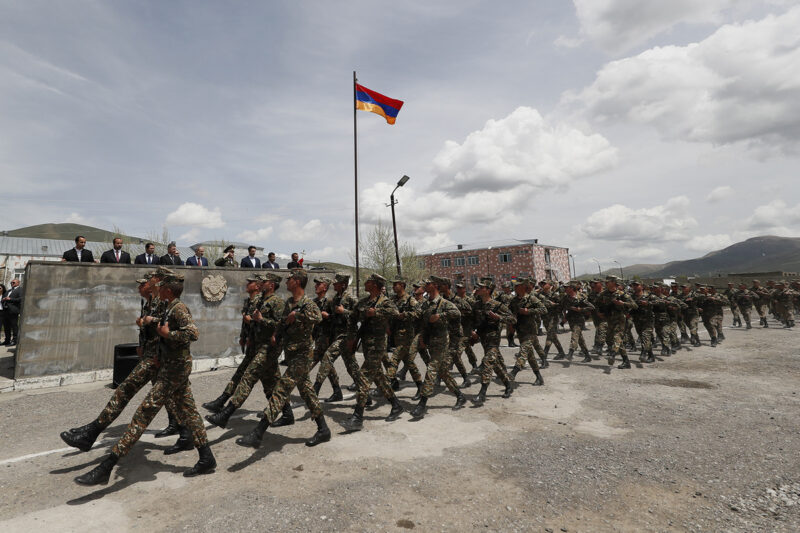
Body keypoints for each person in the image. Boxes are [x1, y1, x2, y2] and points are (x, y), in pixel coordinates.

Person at [74, 272, 215, 485]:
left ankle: (107, 466)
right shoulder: (169, 307)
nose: (158, 286)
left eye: (161, 284)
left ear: (167, 289)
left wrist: (170, 335)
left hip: (174, 371)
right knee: (191, 413)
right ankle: (207, 458)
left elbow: (193, 333)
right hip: (170, 367)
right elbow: (162, 334)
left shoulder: (179, 308)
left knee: (144, 413)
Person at [60, 268, 186, 453]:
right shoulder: (151, 300)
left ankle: (92, 432)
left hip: (158, 357)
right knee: (178, 396)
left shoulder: (165, 301)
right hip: (153, 355)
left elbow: (168, 325)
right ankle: (185, 432)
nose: (144, 285)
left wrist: (149, 324)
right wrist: (143, 340)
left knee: (125, 390)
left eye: (148, 281)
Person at [235, 269, 331, 448]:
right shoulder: (289, 302)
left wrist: (298, 315)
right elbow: (282, 322)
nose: (286, 282)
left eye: (290, 279)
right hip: (291, 354)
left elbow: (318, 317)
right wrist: (276, 335)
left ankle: (258, 432)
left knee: (281, 389)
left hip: (302, 356)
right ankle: (323, 429)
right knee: (307, 393)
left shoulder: (307, 304)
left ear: (297, 282)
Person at [205, 273, 288, 428]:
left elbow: (279, 325)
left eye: (264, 281)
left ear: (271, 284)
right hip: (257, 345)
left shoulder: (277, 302)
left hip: (268, 348)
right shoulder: (262, 300)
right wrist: (248, 333)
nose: (261, 283)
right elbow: (252, 323)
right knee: (271, 382)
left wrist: (260, 320)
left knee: (248, 378)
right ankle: (287, 412)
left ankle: (225, 413)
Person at [341, 274, 405, 430]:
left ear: (375, 285)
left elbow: (396, 314)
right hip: (366, 345)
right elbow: (352, 317)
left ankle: (357, 417)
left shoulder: (385, 302)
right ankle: (396, 405)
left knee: (363, 377)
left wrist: (376, 313)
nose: (365, 283)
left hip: (378, 346)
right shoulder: (363, 302)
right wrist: (351, 338)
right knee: (379, 378)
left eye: (368, 282)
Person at [409, 276, 467, 419]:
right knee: (442, 372)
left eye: (427, 284)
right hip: (430, 340)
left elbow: (457, 313)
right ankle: (460, 396)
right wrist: (422, 338)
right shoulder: (426, 304)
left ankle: (422, 404)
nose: (425, 286)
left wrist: (441, 315)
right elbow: (421, 320)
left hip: (442, 341)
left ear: (435, 285)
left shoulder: (444, 303)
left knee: (432, 369)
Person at [470, 279, 515, 405]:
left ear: (488, 290)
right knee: (496, 365)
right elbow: (473, 321)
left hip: (493, 341)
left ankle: (482, 393)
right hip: (483, 340)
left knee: (487, 363)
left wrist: (499, 318)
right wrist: (472, 332)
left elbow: (512, 319)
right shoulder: (476, 305)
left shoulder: (497, 305)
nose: (478, 289)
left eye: (481, 287)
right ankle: (508, 385)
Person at [1, 279, 21, 345]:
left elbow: (20, 299)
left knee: (14, 326)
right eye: (11, 282)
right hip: (5, 310)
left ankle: (14, 340)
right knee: (6, 326)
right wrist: (3, 299)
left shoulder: (20, 290)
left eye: (13, 282)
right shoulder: (9, 291)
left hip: (13, 311)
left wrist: (11, 299)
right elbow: (3, 297)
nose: (12, 283)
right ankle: (7, 340)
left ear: (18, 283)